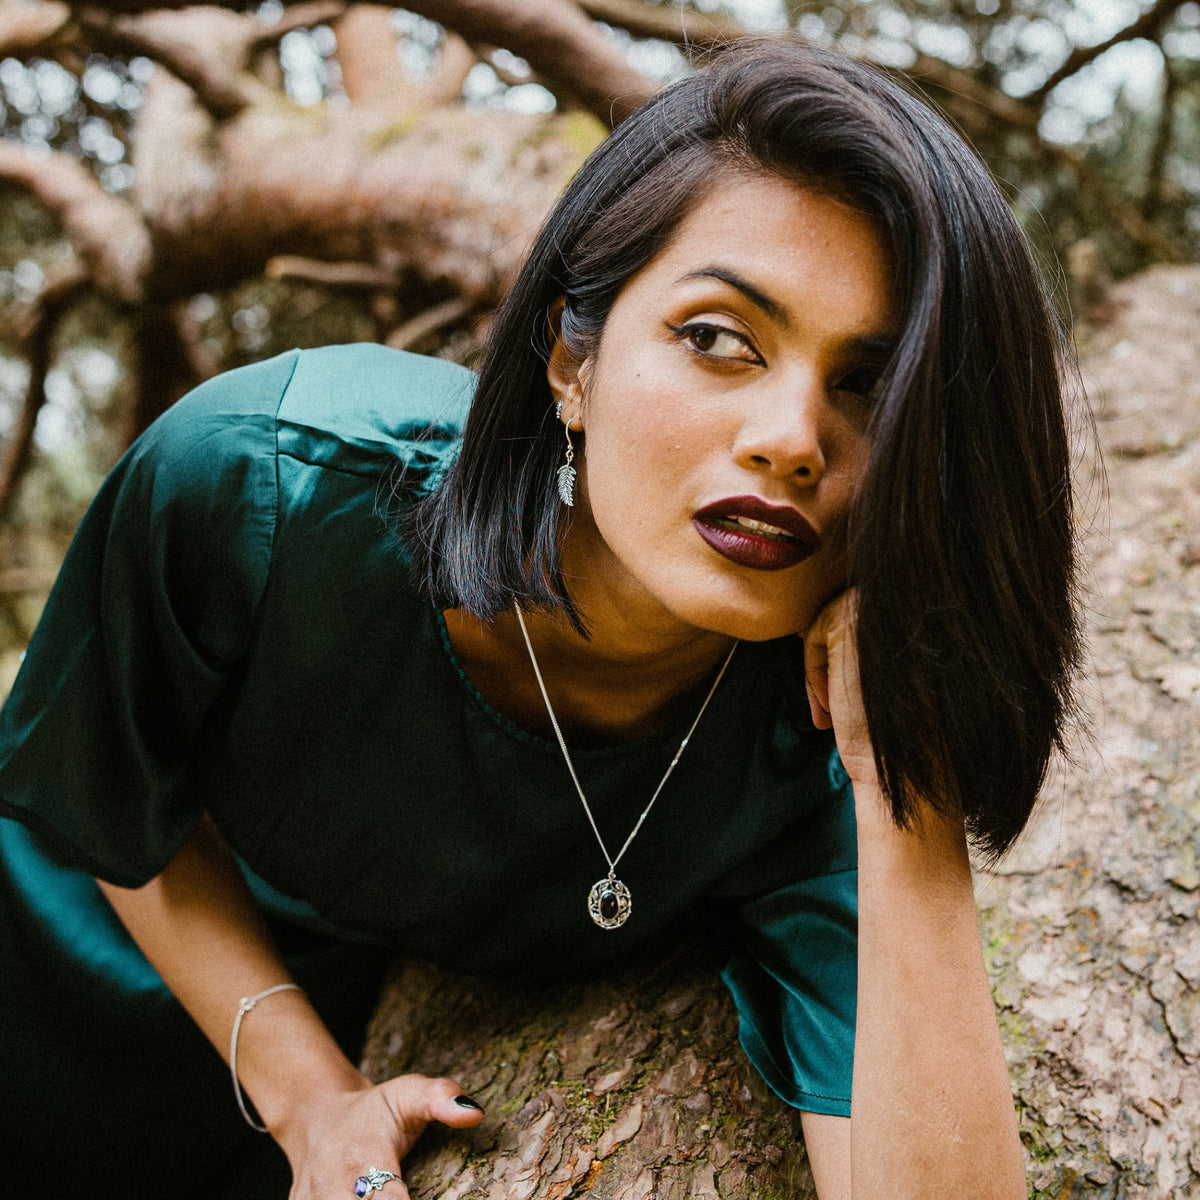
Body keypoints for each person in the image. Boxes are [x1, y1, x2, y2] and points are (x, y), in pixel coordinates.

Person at [0, 40, 1079, 1200]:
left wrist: (904, 777)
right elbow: (109, 787)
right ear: (572, 357)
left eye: (869, 385)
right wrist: (307, 1092)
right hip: (57, 968)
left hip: (333, 1042)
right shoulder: (261, 484)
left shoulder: (810, 748)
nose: (791, 438)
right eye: (718, 337)